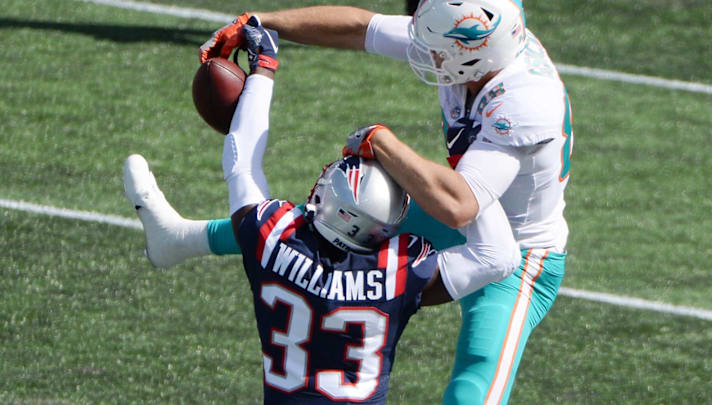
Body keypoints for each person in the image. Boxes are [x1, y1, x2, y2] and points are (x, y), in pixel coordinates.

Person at [125, 17, 519, 404]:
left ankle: (182, 240)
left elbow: (242, 163)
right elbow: (499, 257)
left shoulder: (275, 238)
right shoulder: (399, 273)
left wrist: (264, 67)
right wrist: (464, 164)